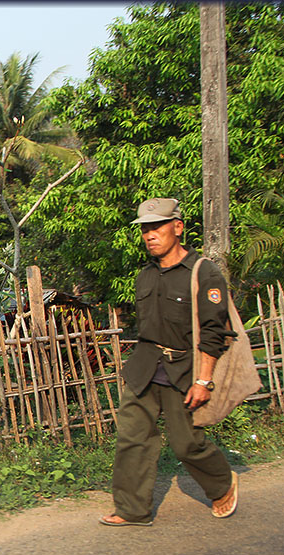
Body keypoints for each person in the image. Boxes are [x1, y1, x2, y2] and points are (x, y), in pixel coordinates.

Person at [100, 197, 238, 526]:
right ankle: (132, 509)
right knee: (132, 438)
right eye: (145, 229)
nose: (150, 235)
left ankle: (222, 484)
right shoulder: (145, 276)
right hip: (146, 367)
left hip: (185, 370)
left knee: (186, 444)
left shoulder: (203, 272)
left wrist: (204, 381)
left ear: (177, 227)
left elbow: (213, 332)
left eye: (157, 227)